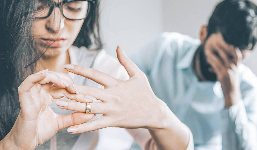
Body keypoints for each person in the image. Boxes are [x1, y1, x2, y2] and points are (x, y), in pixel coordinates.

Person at [0, 0, 193, 149]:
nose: (56, 25)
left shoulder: (105, 71)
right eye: (38, 5)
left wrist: (159, 115)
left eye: (73, 6)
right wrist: (12, 146)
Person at [130, 0, 257, 149]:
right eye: (217, 54)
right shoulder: (165, 49)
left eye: (233, 60)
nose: (222, 66)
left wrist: (231, 96)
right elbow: (122, 80)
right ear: (203, 33)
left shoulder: (249, 89)